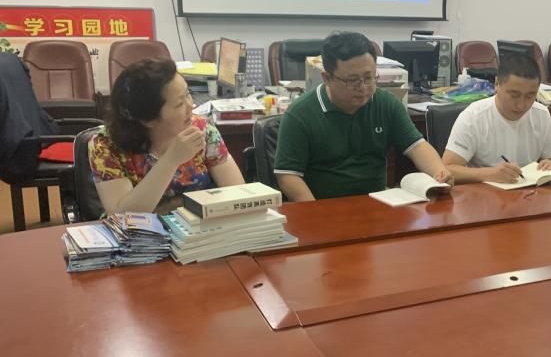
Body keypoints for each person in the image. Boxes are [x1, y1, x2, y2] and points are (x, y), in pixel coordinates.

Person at [274, 31, 452, 201]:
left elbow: (417, 147)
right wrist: (317, 211)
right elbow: (287, 176)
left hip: (379, 201)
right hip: (324, 205)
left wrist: (439, 173)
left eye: (369, 77)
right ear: (327, 78)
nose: (363, 87)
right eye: (352, 80)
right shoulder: (300, 114)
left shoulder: (386, 104)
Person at [89, 58, 244, 214]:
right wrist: (171, 159)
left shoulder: (202, 131)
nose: (191, 106)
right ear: (148, 120)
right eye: (179, 104)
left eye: (188, 94)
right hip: (139, 229)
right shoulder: (106, 146)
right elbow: (123, 217)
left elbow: (238, 195)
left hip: (198, 225)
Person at [442, 53, 551, 183]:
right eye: (514, 95)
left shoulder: (541, 114)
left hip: (529, 192)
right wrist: (489, 174)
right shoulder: (473, 117)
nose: (521, 105)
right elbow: (447, 169)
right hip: (485, 192)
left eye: (530, 96)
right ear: (497, 84)